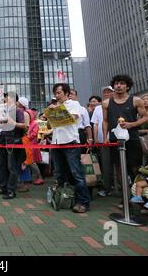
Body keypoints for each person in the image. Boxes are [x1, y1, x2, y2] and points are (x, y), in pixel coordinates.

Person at [49, 83, 90, 213]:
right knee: (59, 173)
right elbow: (51, 125)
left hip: (70, 142)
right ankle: (62, 197)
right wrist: (51, 112)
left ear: (67, 93)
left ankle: (82, 202)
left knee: (76, 173)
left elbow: (71, 118)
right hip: (56, 142)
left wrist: (55, 111)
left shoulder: (73, 104)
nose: (57, 95)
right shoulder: (56, 106)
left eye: (59, 93)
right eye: (55, 93)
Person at [103, 75, 148, 189]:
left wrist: (131, 124)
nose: (118, 86)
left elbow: (145, 117)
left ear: (127, 86)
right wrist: (105, 137)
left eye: (122, 83)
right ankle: (125, 197)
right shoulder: (106, 103)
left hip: (132, 137)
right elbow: (105, 121)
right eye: (116, 83)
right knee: (119, 167)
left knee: (135, 167)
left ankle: (137, 194)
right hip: (115, 139)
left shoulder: (136, 100)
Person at [0, 93, 27, 199]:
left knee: (11, 167)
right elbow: (1, 125)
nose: (5, 100)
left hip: (13, 141)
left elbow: (24, 125)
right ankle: (3, 187)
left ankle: (11, 189)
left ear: (14, 100)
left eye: (7, 99)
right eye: (5, 99)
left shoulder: (18, 111)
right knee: (1, 165)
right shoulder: (4, 111)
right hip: (3, 140)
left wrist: (14, 123)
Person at [92, 86, 114, 197]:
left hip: (116, 139)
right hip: (102, 141)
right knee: (105, 165)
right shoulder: (98, 108)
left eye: (109, 92)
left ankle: (120, 187)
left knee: (119, 165)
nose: (106, 93)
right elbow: (95, 124)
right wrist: (95, 138)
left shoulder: (117, 105)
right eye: (104, 92)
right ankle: (107, 188)